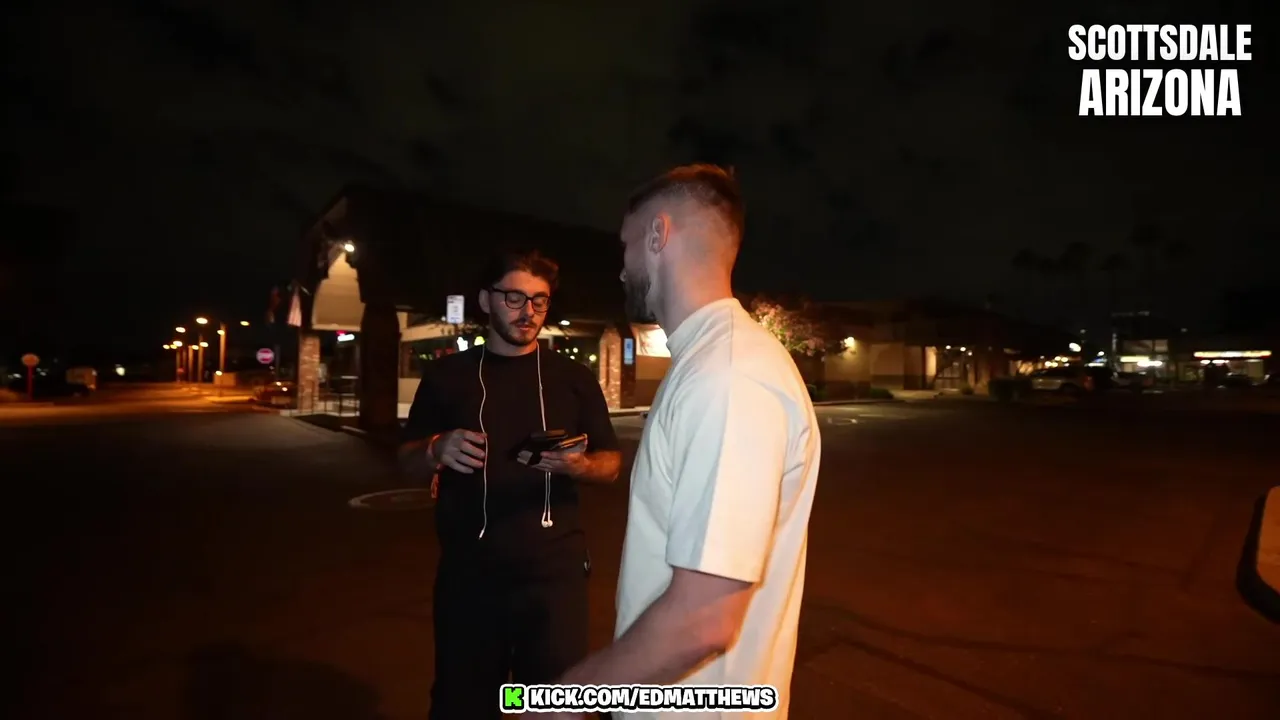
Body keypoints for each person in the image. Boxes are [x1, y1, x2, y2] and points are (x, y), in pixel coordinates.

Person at [552, 165, 821, 719]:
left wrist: (562, 701)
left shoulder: (728, 375)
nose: (621, 267)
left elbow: (702, 620)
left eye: (626, 244)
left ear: (658, 234)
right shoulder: (711, 361)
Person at [399, 248, 623, 719]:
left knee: (554, 706)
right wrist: (435, 449)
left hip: (555, 578)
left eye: (539, 301)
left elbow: (612, 464)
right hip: (469, 577)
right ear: (486, 300)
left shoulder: (574, 379)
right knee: (463, 705)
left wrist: (579, 467)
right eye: (515, 298)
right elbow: (405, 462)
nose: (529, 312)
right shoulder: (446, 376)